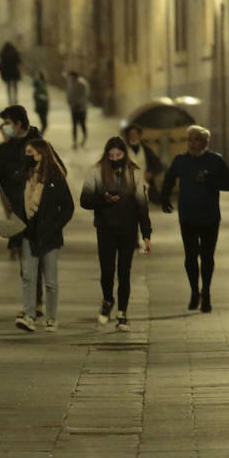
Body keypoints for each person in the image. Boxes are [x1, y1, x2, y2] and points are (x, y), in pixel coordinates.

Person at [160, 125, 229, 313]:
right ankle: (195, 291)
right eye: (190, 139)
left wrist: (210, 180)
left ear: (205, 142)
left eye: (196, 139)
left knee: (208, 257)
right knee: (191, 257)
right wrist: (165, 198)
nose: (192, 143)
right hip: (187, 216)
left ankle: (206, 292)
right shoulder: (181, 161)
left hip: (210, 217)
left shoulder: (215, 160)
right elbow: (169, 179)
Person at [79, 137, 152, 331]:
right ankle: (107, 299)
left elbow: (141, 205)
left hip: (128, 229)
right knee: (107, 270)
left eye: (118, 155)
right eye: (111, 155)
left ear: (124, 155)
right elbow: (84, 200)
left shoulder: (134, 173)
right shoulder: (96, 172)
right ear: (106, 155)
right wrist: (103, 199)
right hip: (105, 228)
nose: (114, 158)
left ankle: (122, 313)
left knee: (124, 272)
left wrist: (146, 234)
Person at [8, 139, 74, 332]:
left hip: (50, 236)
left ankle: (51, 317)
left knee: (51, 280)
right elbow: (13, 197)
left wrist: (55, 226)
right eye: (26, 152)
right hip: (28, 233)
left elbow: (68, 207)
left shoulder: (55, 177)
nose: (27, 155)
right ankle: (29, 315)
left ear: (41, 154)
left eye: (31, 152)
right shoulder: (23, 176)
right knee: (28, 275)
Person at [0, 104, 44, 321]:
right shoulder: (5, 149)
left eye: (7, 123)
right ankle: (31, 304)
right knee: (25, 262)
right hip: (17, 210)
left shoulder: (39, 145)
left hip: (37, 210)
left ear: (17, 123)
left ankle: (37, 302)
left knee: (38, 259)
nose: (3, 127)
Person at [123, 124, 164, 201]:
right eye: (131, 134)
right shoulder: (123, 150)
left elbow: (157, 164)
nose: (133, 136)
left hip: (144, 180)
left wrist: (150, 172)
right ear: (128, 136)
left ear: (139, 135)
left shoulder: (146, 149)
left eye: (135, 134)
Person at [65, 71, 90, 150]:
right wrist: (69, 102)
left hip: (81, 108)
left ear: (75, 76)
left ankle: (84, 139)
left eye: (71, 76)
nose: (70, 78)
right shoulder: (70, 84)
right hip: (73, 108)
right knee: (74, 125)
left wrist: (79, 103)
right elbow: (68, 94)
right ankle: (75, 141)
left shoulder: (82, 83)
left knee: (82, 124)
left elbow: (85, 95)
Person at [32, 70, 51, 136]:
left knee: (44, 124)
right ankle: (39, 135)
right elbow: (37, 96)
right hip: (41, 106)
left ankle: (39, 135)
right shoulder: (39, 85)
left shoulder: (44, 84)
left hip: (44, 106)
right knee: (44, 124)